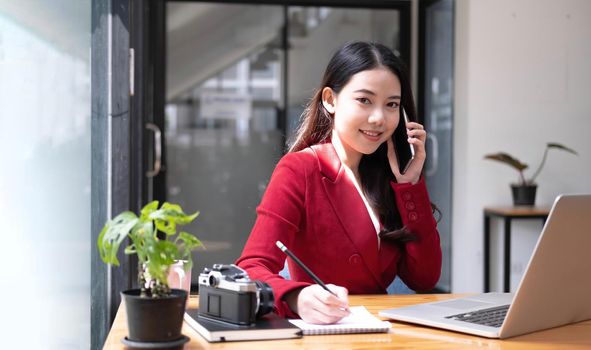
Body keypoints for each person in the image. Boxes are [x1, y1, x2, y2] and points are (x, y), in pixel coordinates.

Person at [236, 41, 441, 324]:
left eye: (392, 104)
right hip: (324, 332)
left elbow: (424, 278)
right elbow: (251, 267)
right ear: (330, 100)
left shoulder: (388, 177)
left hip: (383, 331)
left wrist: (410, 187)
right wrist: (297, 296)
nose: (379, 118)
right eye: (364, 100)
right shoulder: (300, 169)